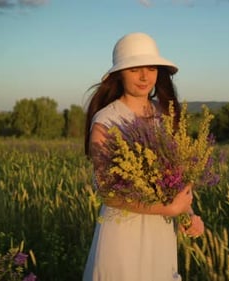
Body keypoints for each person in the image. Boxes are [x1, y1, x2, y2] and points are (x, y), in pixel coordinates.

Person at [82, 32, 205, 281]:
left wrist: (189, 214)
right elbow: (108, 192)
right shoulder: (106, 122)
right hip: (122, 235)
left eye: (150, 68)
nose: (144, 76)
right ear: (119, 74)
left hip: (161, 233)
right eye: (134, 69)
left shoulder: (165, 116)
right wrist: (168, 208)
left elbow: (176, 178)